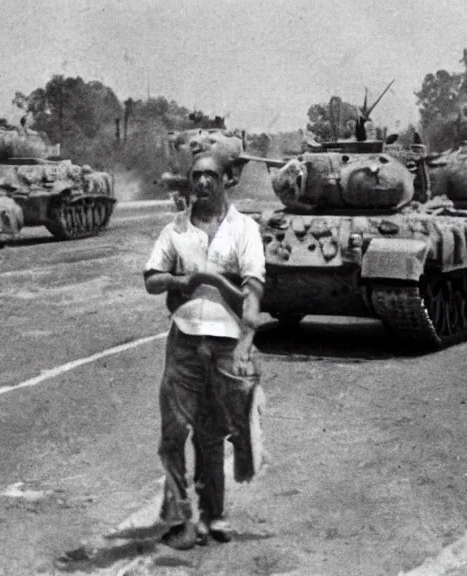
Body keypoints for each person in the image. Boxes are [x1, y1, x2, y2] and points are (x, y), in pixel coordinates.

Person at [143, 152, 266, 550]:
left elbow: (252, 291)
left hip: (226, 343)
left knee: (213, 434)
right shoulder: (175, 230)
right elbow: (151, 279)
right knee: (173, 432)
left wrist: (247, 344)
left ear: (226, 180)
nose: (202, 183)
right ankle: (181, 520)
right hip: (184, 340)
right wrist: (182, 278)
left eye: (210, 175)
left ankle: (214, 515)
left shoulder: (244, 229)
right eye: (196, 175)